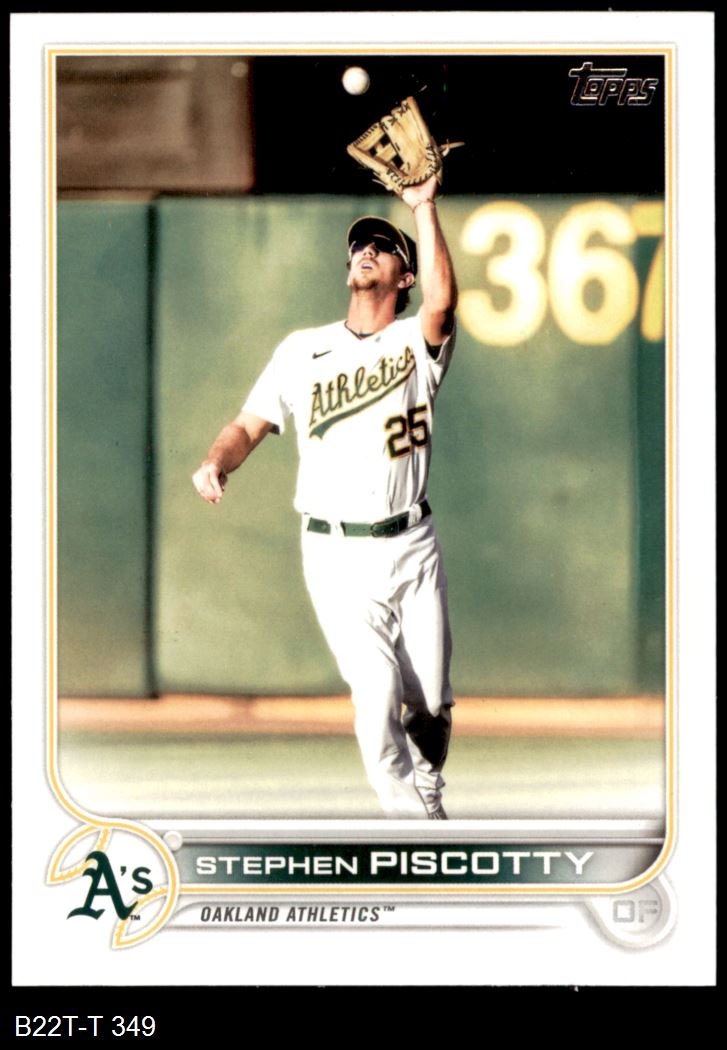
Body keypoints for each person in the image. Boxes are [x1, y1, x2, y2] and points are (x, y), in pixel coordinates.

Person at [192, 176, 458, 819]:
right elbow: (248, 424)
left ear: (405, 277)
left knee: (430, 704)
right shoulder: (301, 350)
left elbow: (444, 302)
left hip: (412, 545)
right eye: (359, 244)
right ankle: (414, 834)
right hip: (336, 551)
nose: (366, 250)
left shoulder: (415, 345)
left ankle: (429, 785)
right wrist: (217, 461)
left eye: (383, 246)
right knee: (376, 690)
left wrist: (422, 207)